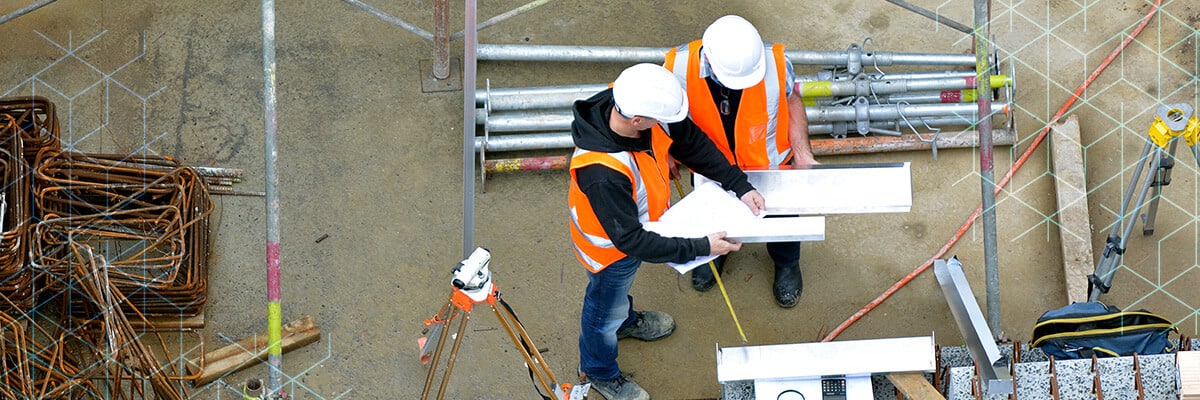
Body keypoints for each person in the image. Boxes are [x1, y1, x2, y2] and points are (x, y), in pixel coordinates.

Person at [569, 63, 766, 400]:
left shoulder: (635, 100)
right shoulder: (602, 171)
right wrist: (702, 246)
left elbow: (690, 142)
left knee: (617, 300)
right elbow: (631, 240)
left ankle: (625, 320)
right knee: (603, 309)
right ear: (637, 121)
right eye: (660, 121)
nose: (667, 125)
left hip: (638, 230)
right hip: (609, 251)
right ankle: (598, 371)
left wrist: (737, 184)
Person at [664, 15, 817, 308]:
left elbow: (792, 100)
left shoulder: (773, 62)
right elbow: (664, 117)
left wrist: (802, 152)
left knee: (783, 221)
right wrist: (667, 152)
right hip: (712, 168)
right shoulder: (677, 68)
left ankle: (786, 263)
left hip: (770, 164)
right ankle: (714, 255)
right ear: (707, 58)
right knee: (713, 217)